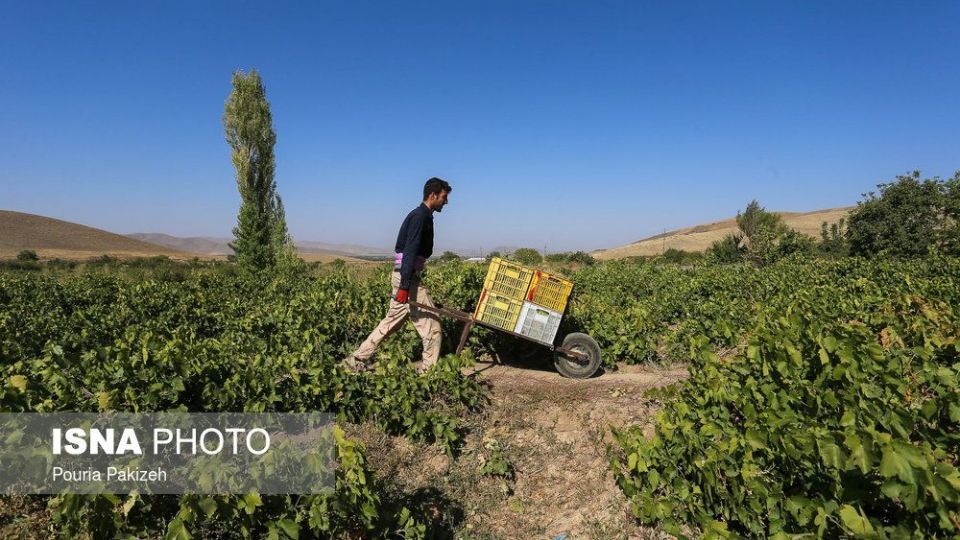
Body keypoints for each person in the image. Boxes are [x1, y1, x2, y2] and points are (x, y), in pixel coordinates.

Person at [343, 177, 451, 374]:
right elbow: (410, 251)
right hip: (407, 278)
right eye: (444, 197)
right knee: (433, 326)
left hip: (404, 275)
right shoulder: (420, 217)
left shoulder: (423, 215)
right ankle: (429, 374)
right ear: (433, 195)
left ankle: (357, 359)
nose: (446, 201)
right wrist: (404, 286)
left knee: (391, 321)